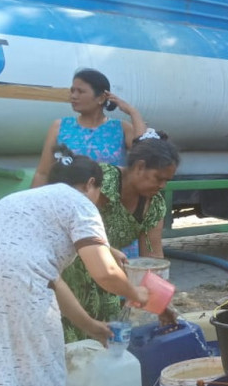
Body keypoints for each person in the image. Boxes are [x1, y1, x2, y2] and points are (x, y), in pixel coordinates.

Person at [0, 147, 149, 386]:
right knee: (41, 369)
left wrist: (90, 325)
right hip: (18, 281)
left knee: (6, 363)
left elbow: (52, 281)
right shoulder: (80, 202)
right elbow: (105, 273)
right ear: (91, 184)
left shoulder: (26, 200)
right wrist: (136, 294)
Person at [60, 132, 178, 342]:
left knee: (104, 343)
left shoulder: (154, 205)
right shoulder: (102, 181)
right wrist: (107, 252)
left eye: (167, 181)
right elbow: (67, 221)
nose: (162, 186)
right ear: (140, 167)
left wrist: (160, 303)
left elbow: (152, 257)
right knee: (70, 344)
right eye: (159, 178)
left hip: (109, 284)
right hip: (70, 276)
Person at [32, 69, 147, 187]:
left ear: (101, 98)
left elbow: (145, 153)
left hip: (108, 202)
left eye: (80, 92)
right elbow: (42, 173)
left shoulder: (121, 128)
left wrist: (133, 112)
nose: (73, 96)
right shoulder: (60, 126)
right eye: (72, 91)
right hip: (68, 201)